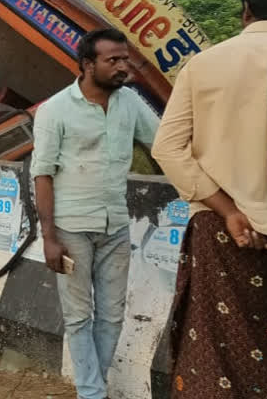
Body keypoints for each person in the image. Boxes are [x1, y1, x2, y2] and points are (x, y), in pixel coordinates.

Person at [151, 0, 267, 397]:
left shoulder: (204, 65)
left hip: (226, 233)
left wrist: (230, 211)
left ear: (246, 11)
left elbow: (167, 149)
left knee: (219, 351)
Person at [31, 28, 159, 399]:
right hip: (71, 230)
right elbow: (43, 174)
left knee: (112, 316)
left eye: (126, 59)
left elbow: (162, 144)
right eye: (113, 60)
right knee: (78, 317)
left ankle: (93, 390)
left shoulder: (130, 102)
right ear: (88, 65)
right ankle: (93, 394)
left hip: (115, 227)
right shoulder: (55, 110)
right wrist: (49, 237)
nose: (124, 67)